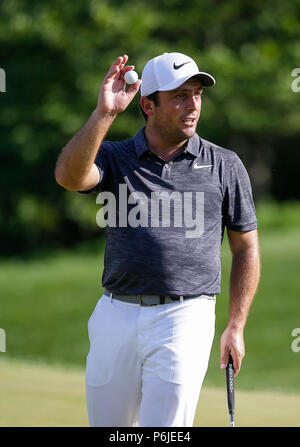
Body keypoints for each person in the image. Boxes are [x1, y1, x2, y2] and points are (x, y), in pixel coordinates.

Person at [55, 52, 260, 427]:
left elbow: (245, 247)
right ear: (148, 104)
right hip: (115, 313)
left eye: (196, 94)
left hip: (186, 314)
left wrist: (236, 325)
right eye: (180, 95)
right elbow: (69, 177)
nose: (192, 105)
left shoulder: (224, 164)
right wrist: (105, 114)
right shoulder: (116, 157)